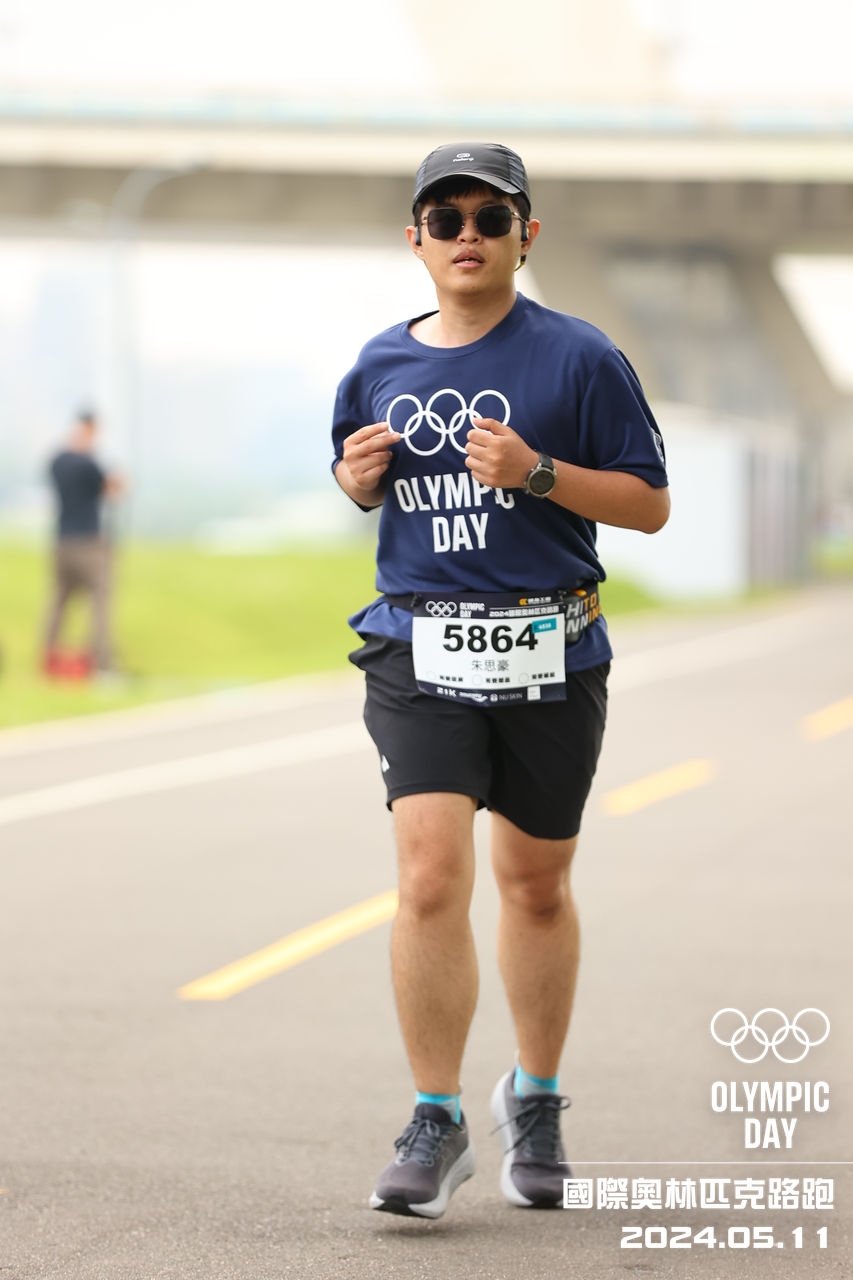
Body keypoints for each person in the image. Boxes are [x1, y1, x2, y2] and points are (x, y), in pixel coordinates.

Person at [331, 142, 670, 1218]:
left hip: (551, 647)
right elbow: (356, 474)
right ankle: (434, 1118)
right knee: (431, 876)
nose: (467, 234)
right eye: (446, 218)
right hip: (418, 648)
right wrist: (352, 479)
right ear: (416, 239)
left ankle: (534, 1095)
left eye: (490, 216)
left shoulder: (580, 357)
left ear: (527, 235)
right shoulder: (379, 363)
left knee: (532, 883)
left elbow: (649, 503)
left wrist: (538, 473)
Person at [43, 409, 125, 676]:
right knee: (100, 600)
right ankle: (102, 663)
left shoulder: (57, 461)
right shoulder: (89, 464)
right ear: (90, 430)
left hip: (62, 542)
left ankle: (47, 657)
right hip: (89, 542)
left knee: (58, 600)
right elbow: (112, 491)